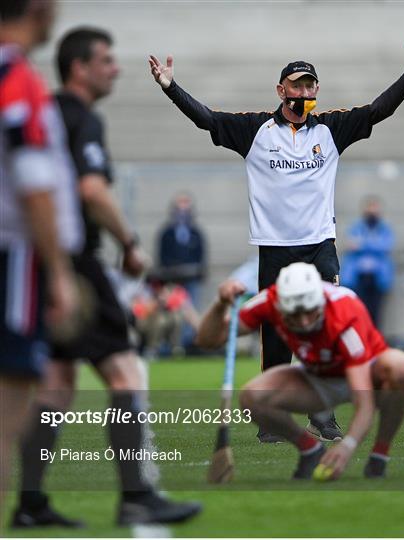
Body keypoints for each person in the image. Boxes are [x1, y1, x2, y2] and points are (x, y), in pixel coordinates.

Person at [148, 33, 404, 441]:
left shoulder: (331, 130)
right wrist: (170, 88)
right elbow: (207, 119)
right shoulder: (255, 130)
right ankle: (271, 412)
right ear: (281, 89)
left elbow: (378, 111)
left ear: (316, 89)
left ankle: (323, 414)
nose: (302, 91)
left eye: (309, 85)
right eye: (296, 85)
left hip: (319, 246)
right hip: (275, 248)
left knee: (329, 327)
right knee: (278, 331)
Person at [11, 27, 201, 528]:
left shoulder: (47, 112)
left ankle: (30, 505)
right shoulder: (83, 120)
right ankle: (137, 495)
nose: (115, 68)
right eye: (106, 60)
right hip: (78, 260)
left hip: (41, 258)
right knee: (124, 374)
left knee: (55, 386)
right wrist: (131, 244)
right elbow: (92, 190)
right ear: (79, 67)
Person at [196, 262, 404, 480]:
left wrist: (347, 445)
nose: (303, 322)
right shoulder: (271, 301)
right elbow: (207, 340)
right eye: (294, 315)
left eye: (309, 313)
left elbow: (364, 400)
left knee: (401, 367)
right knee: (251, 397)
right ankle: (310, 450)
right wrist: (220, 304)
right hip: (318, 376)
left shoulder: (344, 309)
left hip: (365, 375)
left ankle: (379, 455)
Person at [0, 0, 81, 516]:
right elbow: (33, 184)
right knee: (7, 412)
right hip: (14, 258)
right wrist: (58, 272)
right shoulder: (18, 77)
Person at [156, 193, 207, 351]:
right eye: (180, 207)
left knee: (191, 309)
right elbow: (162, 257)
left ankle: (189, 344)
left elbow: (201, 257)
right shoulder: (166, 233)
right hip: (173, 281)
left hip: (192, 280)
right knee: (175, 314)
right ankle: (171, 345)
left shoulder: (196, 233)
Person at [341, 196, 395, 328]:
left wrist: (363, 245)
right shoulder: (356, 227)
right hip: (358, 278)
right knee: (359, 312)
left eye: (375, 209)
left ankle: (374, 344)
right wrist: (373, 245)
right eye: (369, 208)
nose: (372, 212)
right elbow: (351, 245)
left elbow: (386, 246)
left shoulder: (385, 229)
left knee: (375, 313)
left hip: (377, 279)